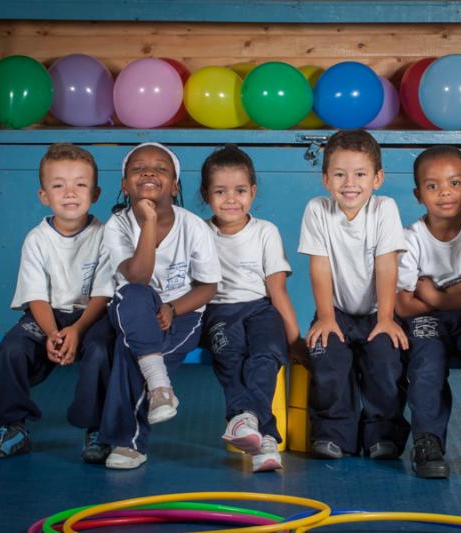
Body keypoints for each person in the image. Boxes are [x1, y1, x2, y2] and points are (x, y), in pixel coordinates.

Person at [0, 143, 115, 463]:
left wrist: (78, 330)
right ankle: (14, 427)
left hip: (92, 314)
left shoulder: (106, 235)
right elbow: (36, 296)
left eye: (80, 184)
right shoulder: (37, 239)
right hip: (48, 315)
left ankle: (96, 429)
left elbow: (104, 294)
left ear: (95, 194)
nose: (70, 192)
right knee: (12, 349)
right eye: (58, 185)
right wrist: (54, 333)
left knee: (101, 351)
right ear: (44, 196)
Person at [99, 142, 221, 470]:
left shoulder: (193, 226)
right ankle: (160, 386)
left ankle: (126, 443)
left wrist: (173, 309)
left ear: (175, 185)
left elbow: (209, 286)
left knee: (132, 354)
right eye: (138, 168)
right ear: (125, 185)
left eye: (160, 169)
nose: (149, 172)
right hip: (132, 309)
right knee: (133, 296)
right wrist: (148, 221)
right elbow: (138, 277)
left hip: (182, 312)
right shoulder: (118, 226)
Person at [298, 129, 410, 460]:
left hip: (379, 309)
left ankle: (382, 433)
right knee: (327, 360)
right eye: (339, 174)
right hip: (336, 310)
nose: (350, 182)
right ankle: (333, 433)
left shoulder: (384, 209)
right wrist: (327, 318)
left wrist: (387, 319)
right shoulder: (317, 210)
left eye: (360, 174)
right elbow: (319, 268)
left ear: (377, 178)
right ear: (325, 179)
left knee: (385, 359)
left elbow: (387, 266)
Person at [199, 144, 305, 472]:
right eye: (220, 191)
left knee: (266, 355)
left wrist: (294, 338)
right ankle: (267, 438)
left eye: (240, 190)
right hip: (219, 311)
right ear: (206, 194)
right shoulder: (198, 232)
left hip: (260, 309)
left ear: (253, 192)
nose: (231, 199)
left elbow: (277, 290)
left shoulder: (265, 232)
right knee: (231, 356)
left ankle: (244, 421)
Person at [395, 146, 461, 478]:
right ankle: (428, 441)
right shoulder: (410, 239)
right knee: (426, 367)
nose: (444, 194)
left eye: (454, 183)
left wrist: (435, 296)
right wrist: (460, 290)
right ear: (418, 194)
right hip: (423, 321)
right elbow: (404, 305)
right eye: (433, 186)